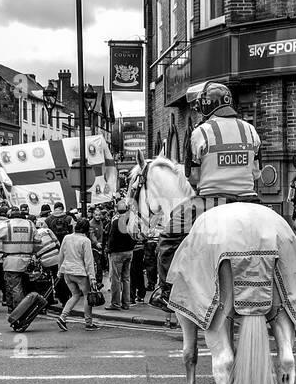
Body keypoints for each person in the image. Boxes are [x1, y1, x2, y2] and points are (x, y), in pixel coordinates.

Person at [151, 81, 262, 311]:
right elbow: (257, 172)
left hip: (212, 201)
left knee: (169, 238)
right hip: (251, 199)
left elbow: (193, 178)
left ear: (205, 107)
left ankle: (166, 290)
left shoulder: (200, 132)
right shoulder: (251, 130)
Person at [57, 219, 98, 331]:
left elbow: (61, 255)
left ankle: (63, 317)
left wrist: (59, 271)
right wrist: (92, 277)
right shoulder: (85, 241)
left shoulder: (67, 238)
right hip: (80, 272)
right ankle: (88, 323)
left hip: (67, 271)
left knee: (75, 295)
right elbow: (89, 261)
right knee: (87, 296)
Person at [1, 206, 39, 310]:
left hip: (11, 260)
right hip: (28, 260)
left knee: (15, 287)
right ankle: (29, 307)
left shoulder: (7, 224)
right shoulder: (30, 224)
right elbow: (38, 240)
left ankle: (19, 309)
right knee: (28, 286)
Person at [105, 201, 136, 310]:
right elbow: (135, 236)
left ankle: (115, 303)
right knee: (126, 278)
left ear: (116, 209)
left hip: (117, 253)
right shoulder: (132, 221)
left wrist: (109, 250)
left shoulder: (116, 221)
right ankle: (126, 303)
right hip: (129, 252)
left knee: (116, 279)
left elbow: (112, 238)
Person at [32, 217, 62, 304]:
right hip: (56, 257)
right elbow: (57, 243)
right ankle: (63, 298)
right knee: (59, 278)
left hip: (44, 260)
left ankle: (50, 299)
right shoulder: (47, 231)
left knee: (47, 281)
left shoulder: (33, 235)